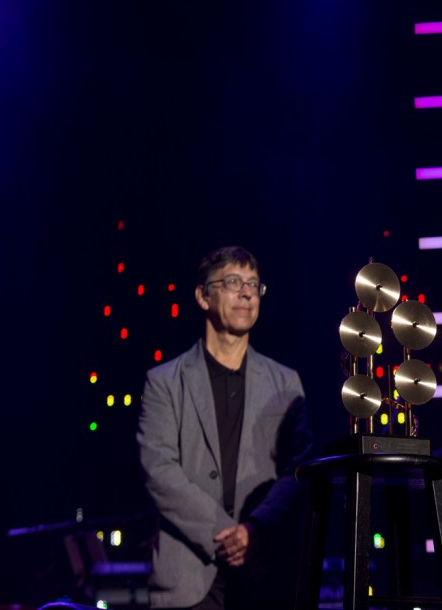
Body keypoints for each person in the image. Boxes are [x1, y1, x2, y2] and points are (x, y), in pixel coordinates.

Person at [137, 245, 315, 610]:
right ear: (203, 296)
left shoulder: (286, 382)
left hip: (265, 574)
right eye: (233, 282)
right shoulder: (164, 382)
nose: (247, 292)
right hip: (188, 579)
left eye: (254, 284)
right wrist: (228, 535)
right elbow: (159, 469)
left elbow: (300, 470)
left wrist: (257, 530)